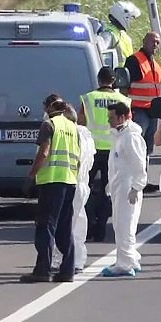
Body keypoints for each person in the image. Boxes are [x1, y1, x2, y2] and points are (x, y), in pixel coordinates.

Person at [21, 96, 81, 283]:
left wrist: (31, 176)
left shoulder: (49, 125)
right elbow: (78, 158)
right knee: (64, 227)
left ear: (47, 107)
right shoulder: (73, 127)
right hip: (69, 181)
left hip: (51, 181)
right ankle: (67, 270)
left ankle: (42, 269)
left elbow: (44, 152)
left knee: (45, 226)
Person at [79, 67, 130, 243]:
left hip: (92, 150)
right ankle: (101, 228)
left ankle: (89, 225)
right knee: (110, 191)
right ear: (114, 80)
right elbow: (128, 126)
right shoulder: (123, 100)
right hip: (113, 150)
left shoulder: (88, 98)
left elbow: (81, 123)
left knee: (85, 188)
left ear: (99, 80)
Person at [102, 102, 148, 277]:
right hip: (119, 187)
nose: (109, 120)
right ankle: (130, 258)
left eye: (112, 117)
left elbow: (139, 165)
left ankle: (125, 263)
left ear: (122, 117)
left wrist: (136, 187)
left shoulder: (130, 137)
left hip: (127, 189)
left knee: (124, 226)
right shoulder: (120, 136)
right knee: (121, 225)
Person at [125, 31, 161, 154]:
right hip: (138, 110)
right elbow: (124, 86)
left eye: (158, 42)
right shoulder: (134, 60)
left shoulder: (156, 66)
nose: (155, 45)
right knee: (136, 144)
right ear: (144, 42)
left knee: (148, 148)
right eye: (152, 41)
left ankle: (144, 171)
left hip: (152, 112)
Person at [67, 106, 94, 274]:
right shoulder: (87, 136)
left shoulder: (72, 135)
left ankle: (65, 259)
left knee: (67, 223)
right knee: (79, 222)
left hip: (73, 182)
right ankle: (78, 259)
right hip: (84, 183)